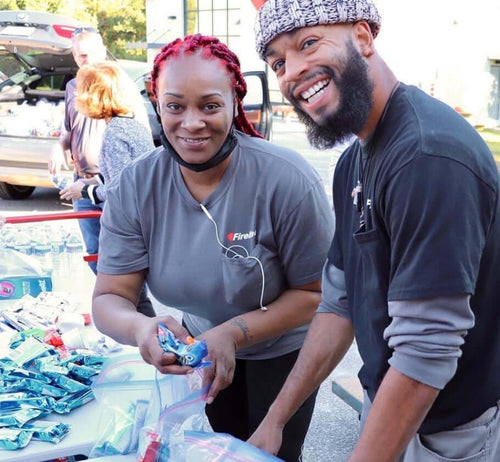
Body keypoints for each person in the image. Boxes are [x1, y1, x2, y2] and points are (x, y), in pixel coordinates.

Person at [249, 1, 500, 461]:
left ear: (363, 38)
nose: (293, 72)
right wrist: (274, 421)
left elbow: (426, 350)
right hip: (386, 404)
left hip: (447, 431)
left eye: (308, 43)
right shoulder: (354, 161)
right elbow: (338, 303)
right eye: (278, 62)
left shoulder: (428, 155)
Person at [91, 34, 334, 462]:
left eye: (209, 105)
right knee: (221, 448)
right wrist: (141, 329)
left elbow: (318, 296)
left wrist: (232, 333)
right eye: (175, 106)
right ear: (156, 103)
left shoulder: (286, 180)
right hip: (203, 351)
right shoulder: (135, 186)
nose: (191, 123)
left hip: (284, 352)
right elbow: (111, 297)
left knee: (270, 454)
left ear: (234, 103)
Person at [47, 27, 149, 275]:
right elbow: (69, 129)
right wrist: (60, 147)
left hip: (103, 189)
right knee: (97, 256)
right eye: (81, 55)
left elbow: (122, 189)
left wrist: (88, 189)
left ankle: (122, 308)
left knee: (120, 269)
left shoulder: (118, 101)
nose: (87, 60)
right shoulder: (73, 87)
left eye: (91, 54)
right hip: (90, 181)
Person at [59, 61, 156, 317]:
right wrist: (93, 183)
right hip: (141, 223)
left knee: (126, 297)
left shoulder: (115, 132)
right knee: (134, 295)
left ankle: (152, 346)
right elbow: (127, 177)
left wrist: (85, 190)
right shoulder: (132, 125)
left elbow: (120, 190)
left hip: (127, 228)